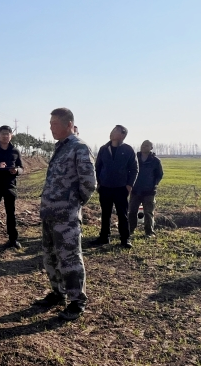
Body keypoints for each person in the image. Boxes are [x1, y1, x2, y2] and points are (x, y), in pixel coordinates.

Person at [38, 108, 96, 321]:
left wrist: (73, 203)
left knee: (70, 258)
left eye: (54, 124)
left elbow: (89, 182)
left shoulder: (79, 147)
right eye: (50, 124)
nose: (51, 128)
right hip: (49, 213)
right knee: (50, 257)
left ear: (69, 124)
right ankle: (58, 293)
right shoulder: (61, 147)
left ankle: (77, 301)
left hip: (66, 216)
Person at [91, 125, 138, 248]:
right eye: (112, 130)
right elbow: (97, 167)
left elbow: (134, 169)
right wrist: (98, 183)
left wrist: (129, 185)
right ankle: (104, 237)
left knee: (122, 214)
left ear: (122, 135)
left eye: (115, 131)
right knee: (105, 213)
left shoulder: (128, 150)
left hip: (121, 188)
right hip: (105, 187)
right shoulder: (104, 149)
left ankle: (125, 239)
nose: (111, 133)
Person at [129, 140, 164, 237]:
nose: (143, 147)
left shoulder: (155, 161)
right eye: (143, 145)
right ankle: (130, 230)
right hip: (135, 190)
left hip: (149, 191)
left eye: (146, 145)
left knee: (148, 212)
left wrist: (154, 185)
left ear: (151, 148)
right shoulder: (134, 158)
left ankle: (149, 232)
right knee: (132, 211)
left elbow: (159, 175)